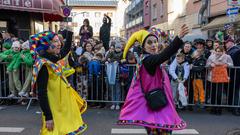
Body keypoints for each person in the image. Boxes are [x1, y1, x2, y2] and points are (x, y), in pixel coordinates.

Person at [118, 25, 189, 135]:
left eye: (155, 42)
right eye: (149, 43)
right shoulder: (148, 60)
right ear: (144, 46)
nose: (153, 45)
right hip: (157, 106)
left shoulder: (146, 59)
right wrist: (178, 38)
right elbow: (163, 55)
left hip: (158, 104)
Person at [30, 31, 87, 134]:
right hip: (54, 113)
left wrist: (69, 34)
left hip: (61, 111)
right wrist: (48, 117)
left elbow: (64, 51)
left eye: (59, 41)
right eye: (55, 41)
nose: (59, 44)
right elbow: (42, 94)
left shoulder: (52, 59)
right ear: (46, 45)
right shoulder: (43, 65)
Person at [206, 46, 233, 115]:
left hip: (221, 78)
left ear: (223, 51)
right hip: (212, 77)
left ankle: (219, 108)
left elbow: (231, 65)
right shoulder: (211, 57)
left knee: (219, 94)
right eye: (217, 51)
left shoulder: (227, 57)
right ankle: (212, 108)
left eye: (220, 51)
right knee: (212, 93)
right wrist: (210, 65)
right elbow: (207, 65)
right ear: (215, 51)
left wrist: (226, 64)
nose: (218, 53)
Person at [223, 36, 240, 116]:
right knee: (231, 92)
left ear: (230, 43)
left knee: (235, 92)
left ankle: (235, 108)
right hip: (231, 75)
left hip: (235, 75)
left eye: (226, 43)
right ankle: (231, 107)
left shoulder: (236, 51)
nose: (225, 45)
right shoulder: (230, 51)